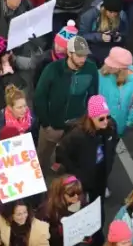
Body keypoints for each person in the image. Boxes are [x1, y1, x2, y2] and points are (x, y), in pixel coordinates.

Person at [33, 29, 98, 166]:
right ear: (69, 53)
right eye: (79, 55)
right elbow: (40, 97)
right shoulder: (52, 69)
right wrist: (46, 123)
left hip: (76, 124)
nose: (83, 59)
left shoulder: (91, 69)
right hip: (53, 124)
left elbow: (93, 95)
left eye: (85, 55)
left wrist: (87, 120)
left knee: (69, 154)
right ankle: (41, 177)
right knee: (43, 155)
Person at [57, 95, 121, 202]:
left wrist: (109, 163)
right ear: (91, 117)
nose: (106, 121)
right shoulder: (77, 134)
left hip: (101, 173)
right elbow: (61, 153)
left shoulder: (111, 126)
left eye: (108, 116)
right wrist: (75, 173)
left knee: (98, 204)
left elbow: (113, 145)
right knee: (79, 203)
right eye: (101, 118)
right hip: (83, 177)